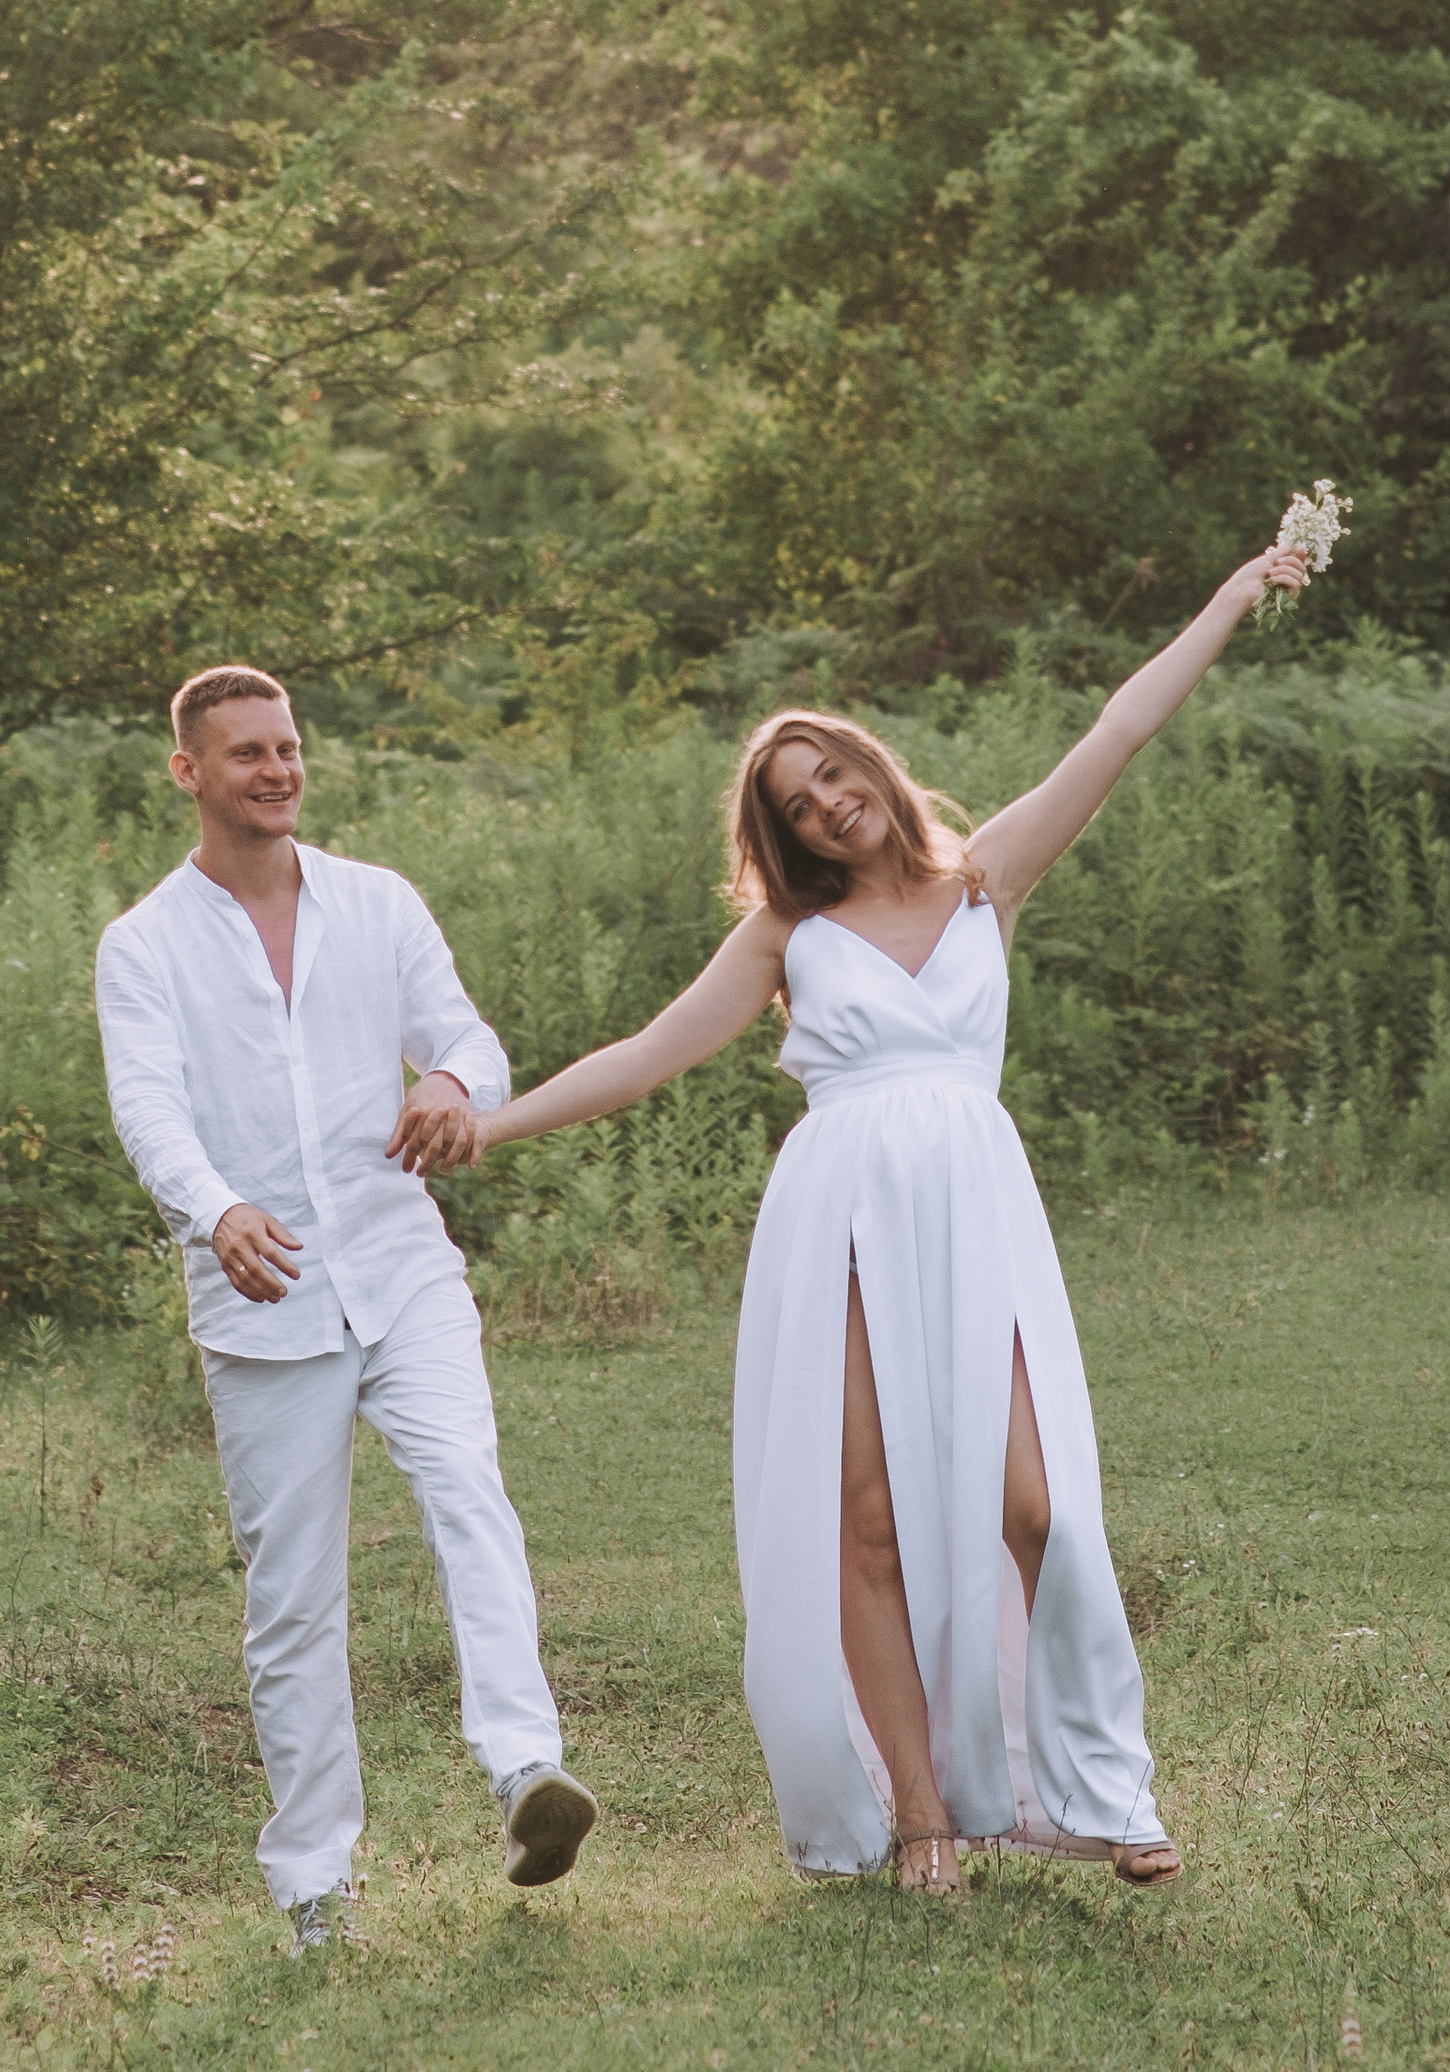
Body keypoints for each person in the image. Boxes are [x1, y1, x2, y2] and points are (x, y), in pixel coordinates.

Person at [472, 539, 1311, 1890]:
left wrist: (1234, 595)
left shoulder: (986, 876)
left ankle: (1105, 1789)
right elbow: (644, 1057)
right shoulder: (786, 943)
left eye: (835, 777)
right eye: (798, 807)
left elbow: (1122, 727)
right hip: (844, 1218)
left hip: (977, 1210)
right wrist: (486, 1125)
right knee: (863, 1522)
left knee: (1035, 1506)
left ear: (871, 766)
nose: (828, 809)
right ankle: (920, 1819)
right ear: (783, 835)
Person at [94, 662, 597, 1952]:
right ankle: (316, 1880)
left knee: (467, 1489)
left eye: (289, 747)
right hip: (261, 1295)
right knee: (296, 1595)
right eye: (246, 752)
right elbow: (149, 1110)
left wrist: (444, 1078)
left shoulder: (378, 904)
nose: (276, 769)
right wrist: (216, 1209)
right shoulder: (145, 944)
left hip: (402, 1262)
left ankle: (525, 1770)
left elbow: (470, 1038)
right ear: (188, 773)